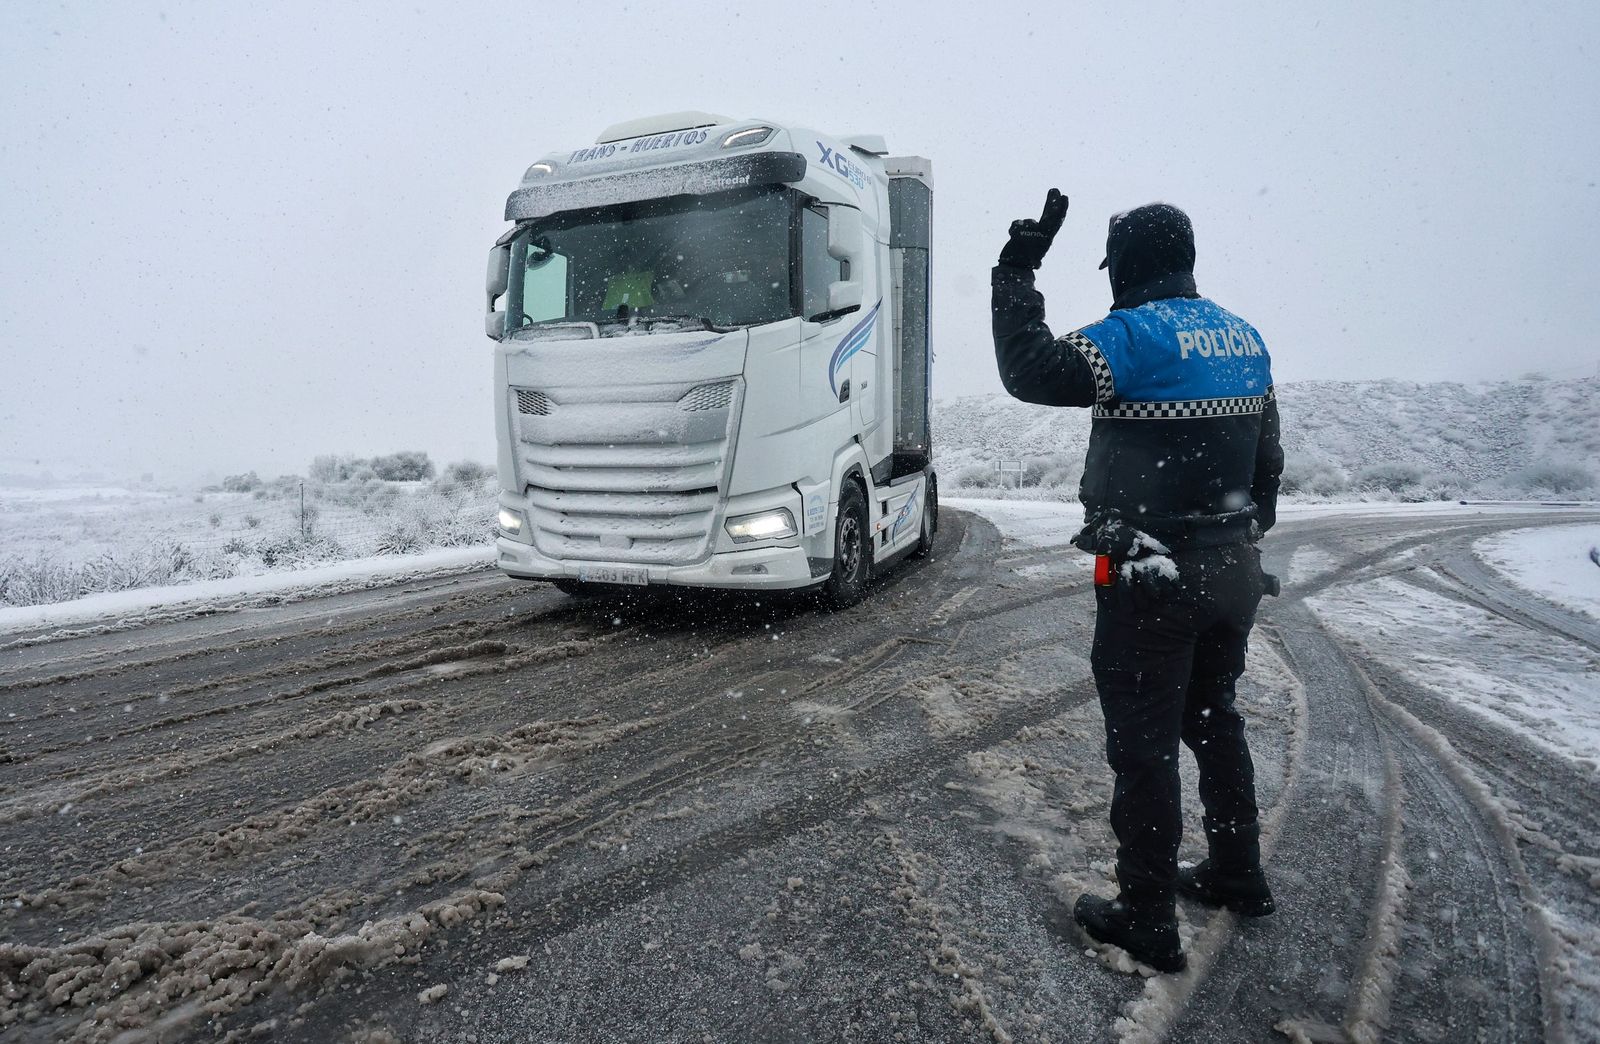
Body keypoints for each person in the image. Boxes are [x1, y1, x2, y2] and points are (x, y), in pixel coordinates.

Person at [991, 191, 1284, 973]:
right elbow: (1268, 468)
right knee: (1216, 718)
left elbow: (1029, 371)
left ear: (1124, 265)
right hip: (1233, 571)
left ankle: (1148, 916)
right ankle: (1236, 871)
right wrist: (1236, 540)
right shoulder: (1245, 339)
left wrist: (1017, 269)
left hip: (1151, 574)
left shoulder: (1132, 337)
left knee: (1144, 749)